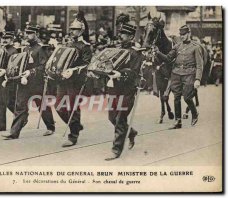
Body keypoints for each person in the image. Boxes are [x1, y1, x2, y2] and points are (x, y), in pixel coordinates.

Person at [97, 20, 144, 161]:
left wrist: (122, 73)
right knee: (112, 118)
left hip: (127, 90)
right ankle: (131, 132)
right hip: (113, 88)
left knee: (120, 119)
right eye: (121, 33)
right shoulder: (115, 50)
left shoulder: (136, 53)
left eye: (124, 34)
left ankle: (116, 150)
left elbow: (135, 72)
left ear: (131, 37)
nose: (121, 36)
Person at [2, 23, 55, 140]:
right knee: (20, 105)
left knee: (42, 105)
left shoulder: (41, 48)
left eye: (30, 33)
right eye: (26, 33)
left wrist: (31, 72)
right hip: (24, 81)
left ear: (36, 34)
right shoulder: (25, 48)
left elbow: (44, 66)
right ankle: (14, 132)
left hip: (37, 82)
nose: (27, 35)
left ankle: (50, 126)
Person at [153, 25, 203, 129]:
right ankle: (178, 121)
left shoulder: (196, 47)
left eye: (184, 34)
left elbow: (199, 65)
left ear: (189, 34)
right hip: (176, 74)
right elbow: (167, 58)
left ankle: (194, 112)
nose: (182, 36)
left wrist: (197, 79)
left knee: (187, 97)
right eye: (181, 35)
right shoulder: (177, 46)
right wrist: (158, 53)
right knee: (176, 97)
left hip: (189, 74)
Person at [52, 19, 92, 147]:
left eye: (74, 29)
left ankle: (73, 136)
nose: (72, 31)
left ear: (81, 31)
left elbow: (86, 65)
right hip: (63, 80)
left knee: (73, 108)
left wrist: (73, 71)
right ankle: (76, 126)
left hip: (75, 81)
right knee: (58, 106)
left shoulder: (85, 46)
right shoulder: (67, 44)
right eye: (71, 29)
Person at [0, 31, 18, 132]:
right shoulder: (0, 50)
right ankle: (1, 125)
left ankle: (21, 117)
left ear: (12, 40)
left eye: (7, 38)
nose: (4, 40)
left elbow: (15, 66)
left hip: (7, 79)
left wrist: (5, 71)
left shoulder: (14, 51)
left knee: (8, 101)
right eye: (3, 39)